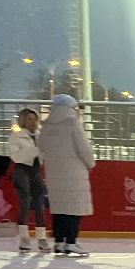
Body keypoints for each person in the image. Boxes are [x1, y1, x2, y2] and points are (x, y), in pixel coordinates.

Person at [35, 94, 96, 257]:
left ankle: (59, 242)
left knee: (59, 207)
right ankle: (71, 242)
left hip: (54, 172)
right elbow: (83, 146)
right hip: (74, 170)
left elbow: (40, 145)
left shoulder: (46, 124)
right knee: (74, 207)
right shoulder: (72, 122)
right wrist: (90, 162)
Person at [7, 107, 49, 252]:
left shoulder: (40, 136)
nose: (33, 122)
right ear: (23, 120)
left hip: (36, 171)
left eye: (35, 119)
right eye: (29, 119)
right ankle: (24, 237)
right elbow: (16, 157)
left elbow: (44, 155)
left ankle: (41, 238)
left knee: (39, 205)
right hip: (21, 171)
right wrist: (34, 150)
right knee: (24, 203)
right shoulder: (15, 136)